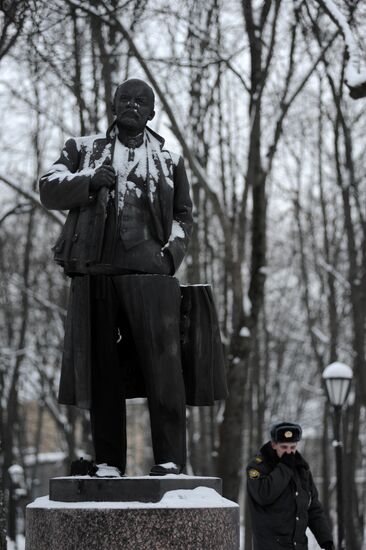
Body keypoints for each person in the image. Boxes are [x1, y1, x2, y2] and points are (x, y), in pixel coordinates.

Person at [39, 78, 194, 477]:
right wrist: (88, 180)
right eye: (125, 98)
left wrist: (170, 256)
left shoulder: (170, 161)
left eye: (141, 101)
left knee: (165, 372)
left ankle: (171, 461)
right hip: (98, 274)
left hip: (151, 276)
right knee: (103, 372)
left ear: (152, 112)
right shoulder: (84, 149)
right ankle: (108, 462)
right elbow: (48, 188)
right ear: (113, 105)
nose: (132, 105)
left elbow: (183, 217)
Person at [246, 421, 334, 550]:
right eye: (284, 447)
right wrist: (285, 467)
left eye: (292, 447)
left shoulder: (301, 469)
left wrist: (326, 540)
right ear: (273, 444)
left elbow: (313, 507)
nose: (288, 452)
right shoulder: (257, 467)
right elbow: (263, 495)